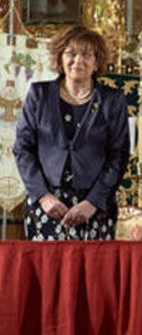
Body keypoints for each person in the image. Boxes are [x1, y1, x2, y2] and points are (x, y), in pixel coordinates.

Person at [13, 26, 129, 241]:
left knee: (93, 274)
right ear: (60, 57)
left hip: (94, 207)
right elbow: (22, 149)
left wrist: (92, 202)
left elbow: (118, 157)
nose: (78, 60)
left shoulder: (113, 100)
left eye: (87, 54)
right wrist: (43, 196)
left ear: (97, 62)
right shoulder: (39, 94)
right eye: (71, 53)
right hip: (47, 206)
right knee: (47, 273)